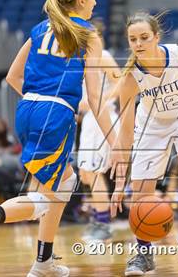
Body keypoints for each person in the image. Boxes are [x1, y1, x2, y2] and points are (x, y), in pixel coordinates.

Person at [0, 0, 123, 276]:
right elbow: (97, 98)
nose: (96, 2)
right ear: (81, 0)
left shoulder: (39, 29)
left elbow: (12, 77)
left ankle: (44, 260)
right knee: (51, 194)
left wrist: (40, 100)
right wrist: (116, 145)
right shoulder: (88, 34)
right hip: (55, 113)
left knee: (64, 184)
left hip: (28, 108)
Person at [110, 11, 178, 275]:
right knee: (142, 188)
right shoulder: (131, 78)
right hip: (152, 123)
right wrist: (121, 177)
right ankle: (144, 254)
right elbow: (125, 129)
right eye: (133, 39)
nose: (139, 43)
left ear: (157, 37)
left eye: (144, 37)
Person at [77, 19, 121, 242]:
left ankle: (103, 224)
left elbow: (121, 84)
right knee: (86, 174)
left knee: (93, 173)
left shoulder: (103, 56)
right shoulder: (85, 58)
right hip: (89, 121)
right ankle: (100, 216)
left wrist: (99, 101)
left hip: (102, 118)